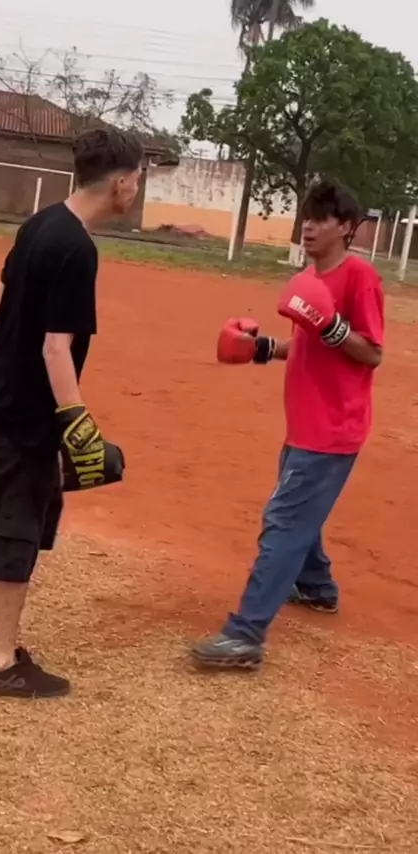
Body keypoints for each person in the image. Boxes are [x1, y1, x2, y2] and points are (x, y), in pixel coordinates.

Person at [0, 128, 143, 698]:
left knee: (31, 504)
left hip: (5, 396)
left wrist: (11, 366)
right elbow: (57, 347)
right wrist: (76, 422)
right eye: (136, 179)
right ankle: (0, 663)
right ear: (120, 183)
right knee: (18, 522)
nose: (136, 189)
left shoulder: (40, 224)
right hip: (23, 410)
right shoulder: (77, 248)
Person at [192, 179, 384, 669]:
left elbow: (371, 352)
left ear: (346, 227)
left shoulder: (358, 276)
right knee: (299, 513)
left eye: (321, 219)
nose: (309, 227)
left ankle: (246, 636)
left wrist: (333, 326)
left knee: (284, 521)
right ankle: (316, 587)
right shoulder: (310, 280)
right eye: (307, 218)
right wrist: (261, 349)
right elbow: (309, 344)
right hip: (304, 422)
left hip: (332, 428)